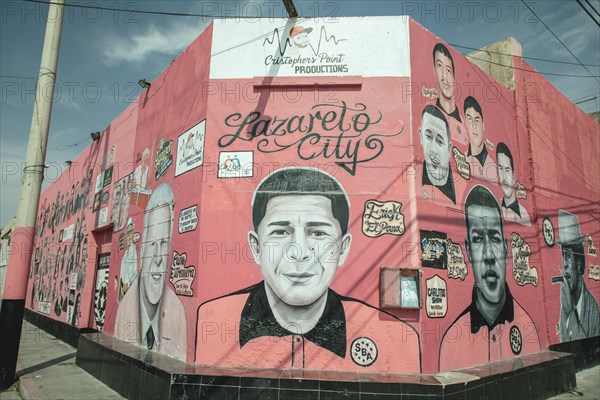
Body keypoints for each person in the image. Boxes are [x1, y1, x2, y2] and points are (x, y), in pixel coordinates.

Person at [196, 168, 421, 372]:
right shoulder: (210, 321)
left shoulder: (393, 337)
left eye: (318, 233)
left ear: (343, 249)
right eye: (280, 232)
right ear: (256, 247)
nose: (300, 252)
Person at [439, 185, 540, 371]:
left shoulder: (527, 328)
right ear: (468, 252)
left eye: (494, 238)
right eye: (477, 239)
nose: (488, 255)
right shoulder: (451, 343)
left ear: (505, 248)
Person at [115, 183, 187, 361]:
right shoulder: (124, 312)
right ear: (141, 252)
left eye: (163, 243)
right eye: (151, 244)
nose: (157, 258)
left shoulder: (177, 313)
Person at [556, 210, 600, 341]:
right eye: (563, 255)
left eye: (568, 256)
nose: (564, 264)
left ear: (580, 262)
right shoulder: (566, 303)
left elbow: (588, 352)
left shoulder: (592, 308)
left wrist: (570, 311)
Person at [420, 105, 456, 204]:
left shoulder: (462, 187)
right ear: (421, 137)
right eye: (428, 136)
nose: (433, 149)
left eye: (440, 141)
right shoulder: (414, 178)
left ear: (449, 149)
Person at [464, 96, 498, 184]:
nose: (474, 126)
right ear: (465, 123)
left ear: (483, 125)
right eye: (469, 119)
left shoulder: (494, 168)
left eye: (477, 120)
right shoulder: (462, 161)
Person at [496, 142, 530, 226]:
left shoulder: (524, 214)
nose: (503, 177)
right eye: (500, 169)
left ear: (513, 176)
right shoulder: (495, 207)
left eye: (507, 170)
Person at [433, 43, 461, 122]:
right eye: (439, 66)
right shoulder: (431, 118)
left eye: (448, 70)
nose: (444, 76)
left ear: (454, 79)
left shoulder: (464, 124)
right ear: (434, 71)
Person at [119, 218, 138, 302]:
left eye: (131, 233)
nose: (129, 236)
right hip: (123, 290)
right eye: (128, 233)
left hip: (129, 288)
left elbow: (135, 271)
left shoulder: (133, 250)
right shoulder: (125, 254)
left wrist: (128, 283)